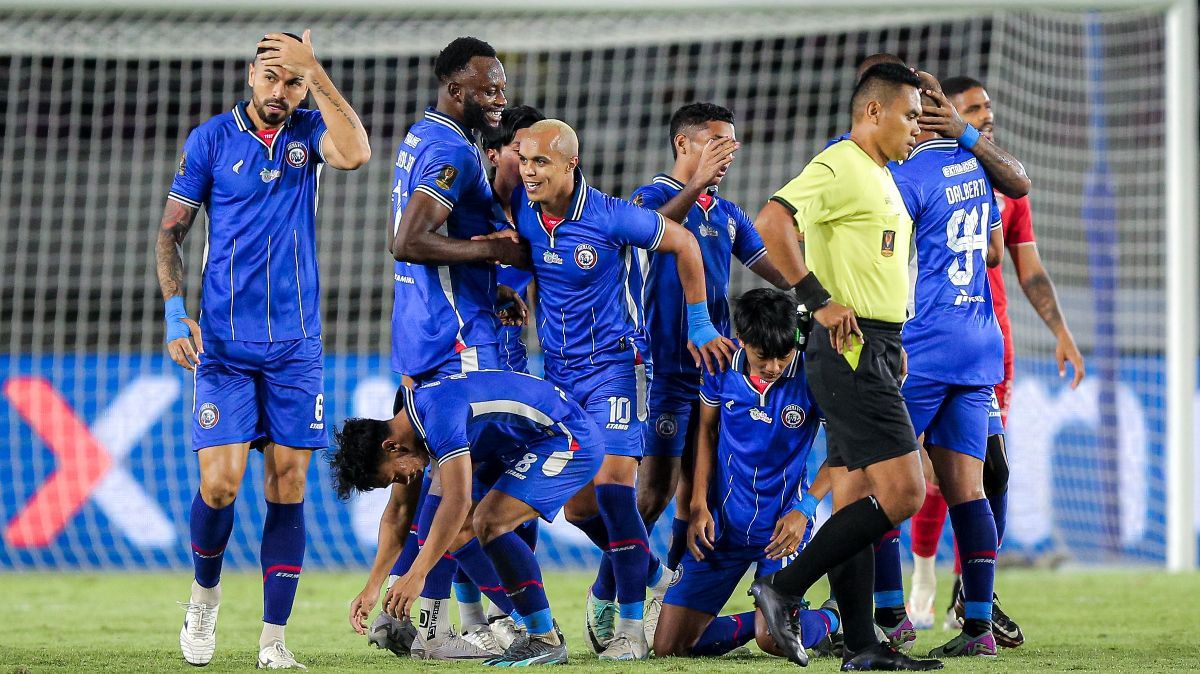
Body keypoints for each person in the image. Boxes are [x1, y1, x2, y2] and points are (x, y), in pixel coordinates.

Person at [157, 30, 370, 669]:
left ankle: (274, 643)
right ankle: (204, 600)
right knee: (220, 487)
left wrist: (320, 75)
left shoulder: (310, 131)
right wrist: (175, 313)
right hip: (221, 345)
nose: (283, 93)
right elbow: (172, 234)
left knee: (289, 484)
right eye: (274, 79)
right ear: (251, 77)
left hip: (296, 347)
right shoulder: (210, 141)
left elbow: (357, 154)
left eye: (294, 82)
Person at [508, 119, 733, 660]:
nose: (530, 171)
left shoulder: (611, 215)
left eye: (542, 162)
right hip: (559, 375)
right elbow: (523, 259)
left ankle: (631, 631)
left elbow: (682, 243)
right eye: (526, 161)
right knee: (580, 510)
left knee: (615, 492)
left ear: (570, 165)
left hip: (615, 368)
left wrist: (700, 320)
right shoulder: (526, 210)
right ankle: (653, 572)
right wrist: (509, 290)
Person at [748, 63, 942, 671]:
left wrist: (894, 332)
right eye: (910, 115)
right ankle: (783, 587)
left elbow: (875, 266)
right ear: (874, 111)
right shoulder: (838, 164)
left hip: (875, 343)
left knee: (855, 494)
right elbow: (772, 221)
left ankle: (862, 646)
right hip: (847, 349)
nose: (917, 127)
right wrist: (817, 300)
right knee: (906, 491)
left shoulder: (883, 175)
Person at [582, 102, 790, 651]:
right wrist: (693, 184)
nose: (725, 155)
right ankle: (607, 595)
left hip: (718, 372)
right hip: (666, 370)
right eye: (714, 143)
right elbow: (650, 234)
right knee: (650, 492)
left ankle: (670, 588)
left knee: (704, 491)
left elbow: (775, 267)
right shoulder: (650, 200)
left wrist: (822, 288)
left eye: (731, 145)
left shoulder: (727, 213)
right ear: (683, 144)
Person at [362, 36, 529, 661]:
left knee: (452, 479)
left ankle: (421, 616)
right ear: (455, 89)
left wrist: (489, 286)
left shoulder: (418, 137)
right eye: (488, 89)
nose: (498, 98)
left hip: (425, 332)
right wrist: (494, 252)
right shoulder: (453, 151)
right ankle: (512, 621)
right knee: (477, 486)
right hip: (457, 340)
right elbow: (408, 241)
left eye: (503, 88)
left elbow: (412, 234)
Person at [906, 75, 1085, 646]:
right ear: (943, 115)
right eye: (975, 108)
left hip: (989, 342)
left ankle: (971, 595)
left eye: (988, 107)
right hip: (937, 337)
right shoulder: (949, 175)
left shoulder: (998, 181)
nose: (988, 115)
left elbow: (1023, 267)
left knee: (988, 470)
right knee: (922, 476)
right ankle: (922, 580)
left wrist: (1060, 330)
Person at [330, 369, 606, 666]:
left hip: (566, 438)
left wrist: (416, 574)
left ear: (391, 446)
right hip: (521, 445)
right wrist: (372, 586)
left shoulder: (438, 417)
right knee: (461, 530)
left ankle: (544, 638)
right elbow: (399, 513)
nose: (406, 481)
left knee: (489, 521)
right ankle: (530, 626)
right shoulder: (412, 423)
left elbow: (457, 500)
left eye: (396, 475)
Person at [877, 71, 1007, 658]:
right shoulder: (976, 167)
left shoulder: (906, 177)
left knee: (876, 482)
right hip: (980, 343)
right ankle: (978, 628)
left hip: (925, 344)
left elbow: (883, 256)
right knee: (968, 493)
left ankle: (886, 614)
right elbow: (995, 252)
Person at [654, 288, 837, 661]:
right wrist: (699, 504)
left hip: (780, 530)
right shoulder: (720, 364)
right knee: (669, 647)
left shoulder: (812, 374)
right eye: (762, 356)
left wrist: (805, 508)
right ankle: (766, 622)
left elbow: (845, 449)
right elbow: (705, 433)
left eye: (782, 357)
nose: (772, 366)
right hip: (722, 525)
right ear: (744, 341)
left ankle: (836, 617)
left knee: (773, 640)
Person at [482, 105, 547, 374]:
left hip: (511, 358)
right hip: (463, 354)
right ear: (493, 155)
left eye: (539, 154)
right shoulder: (468, 212)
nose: (530, 164)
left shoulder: (543, 216)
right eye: (520, 152)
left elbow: (538, 283)